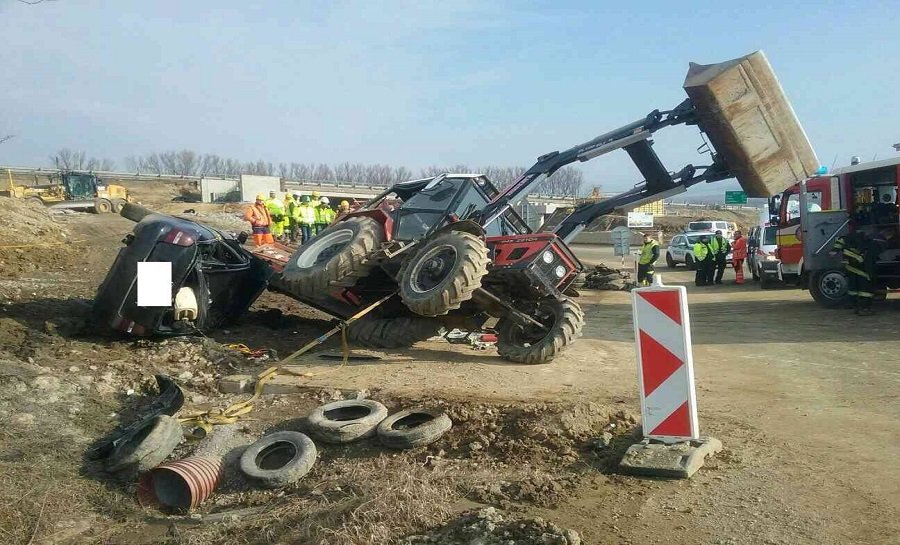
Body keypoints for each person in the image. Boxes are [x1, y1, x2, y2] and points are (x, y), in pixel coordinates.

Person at [833, 231, 876, 315]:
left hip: (851, 268)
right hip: (862, 270)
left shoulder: (846, 239)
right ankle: (864, 308)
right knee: (865, 290)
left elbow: (837, 247)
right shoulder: (867, 243)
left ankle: (855, 306)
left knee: (853, 289)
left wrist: (835, 250)